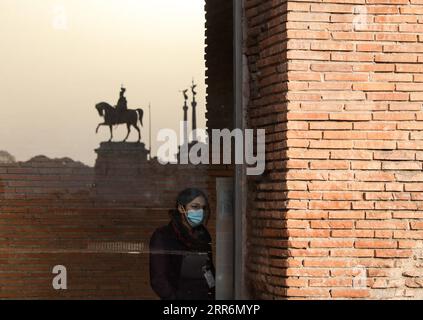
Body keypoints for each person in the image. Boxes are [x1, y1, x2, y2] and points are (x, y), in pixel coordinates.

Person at [149, 188, 216, 300]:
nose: (200, 211)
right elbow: (159, 279)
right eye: (195, 207)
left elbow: (208, 269)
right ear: (181, 208)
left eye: (203, 208)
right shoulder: (164, 235)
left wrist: (213, 293)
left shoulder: (203, 235)